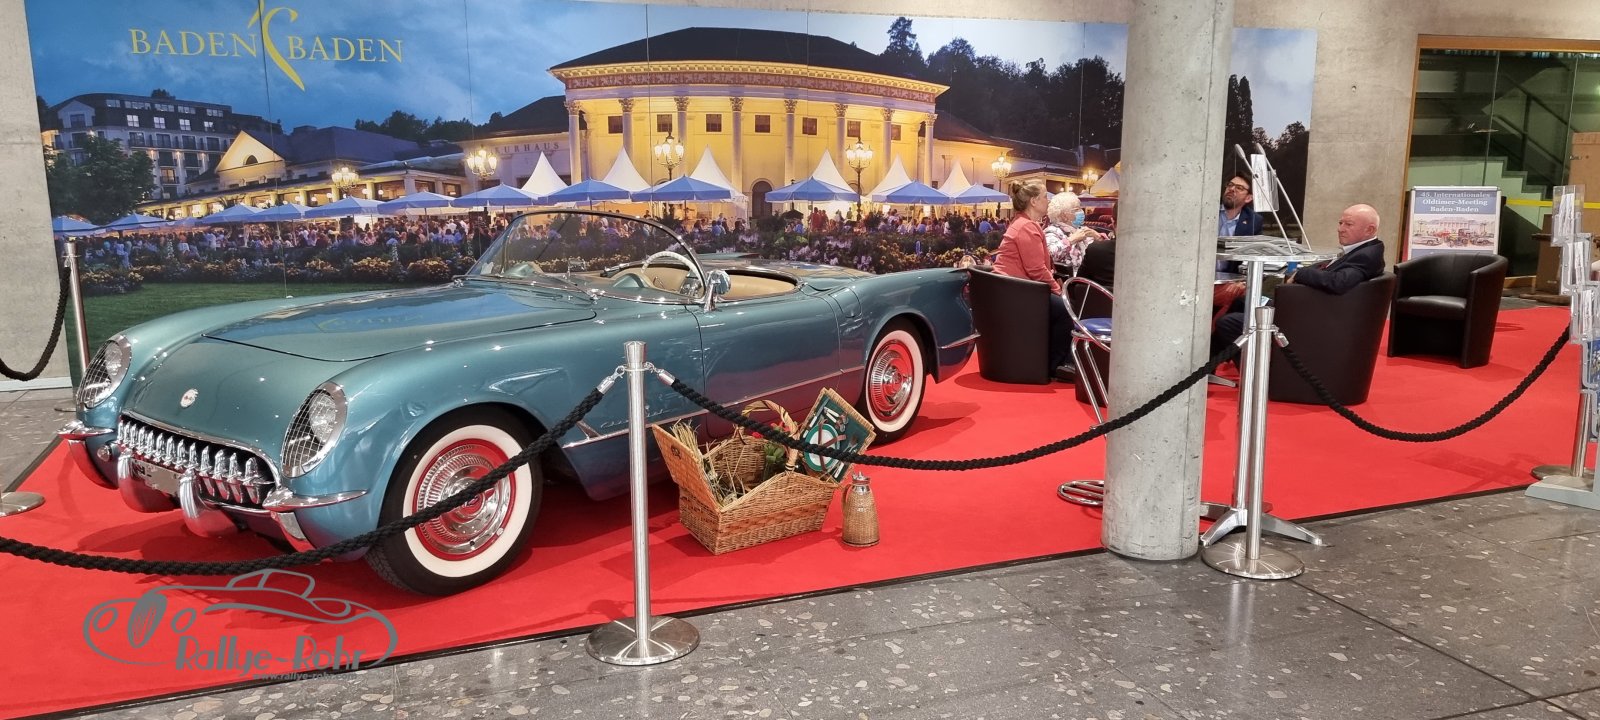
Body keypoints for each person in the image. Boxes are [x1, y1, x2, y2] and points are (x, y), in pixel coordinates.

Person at [1211, 204, 1388, 356]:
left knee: (1228, 323)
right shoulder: (1361, 250)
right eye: (1340, 223)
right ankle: (1210, 363)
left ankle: (1261, 373)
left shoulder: (1366, 256)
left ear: (1370, 230)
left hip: (1309, 317)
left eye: (1348, 224)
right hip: (1305, 307)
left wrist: (1300, 274)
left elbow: (1339, 282)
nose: (1340, 229)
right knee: (1240, 301)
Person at [991, 179, 1076, 381]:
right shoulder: (1026, 227)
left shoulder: (1025, 224)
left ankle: (1058, 362)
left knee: (1063, 305)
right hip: (1016, 292)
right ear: (1034, 201)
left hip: (1018, 289)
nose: (1048, 201)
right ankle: (1054, 365)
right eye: (1045, 197)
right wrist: (1058, 291)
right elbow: (1036, 270)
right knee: (1066, 310)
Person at [1043, 192, 1105, 273]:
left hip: (1090, 274)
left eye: (1080, 208)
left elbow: (1104, 252)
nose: (1081, 212)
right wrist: (1071, 240)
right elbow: (1050, 255)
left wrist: (1098, 237)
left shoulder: (1080, 229)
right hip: (1072, 278)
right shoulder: (1052, 231)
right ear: (1064, 216)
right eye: (1076, 210)